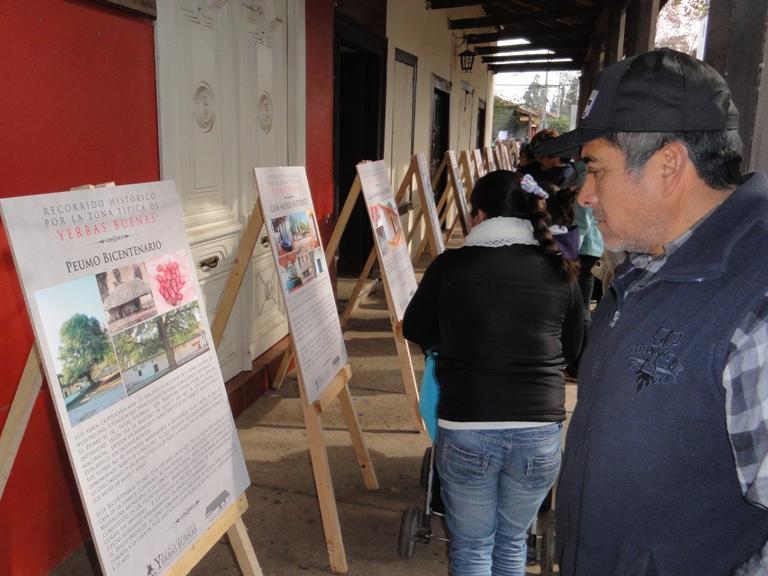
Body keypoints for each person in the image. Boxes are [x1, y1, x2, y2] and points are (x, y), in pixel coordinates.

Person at [534, 48, 768, 575]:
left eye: (595, 169)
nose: (585, 194)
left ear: (668, 164)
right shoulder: (650, 266)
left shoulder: (756, 300)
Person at [402, 170, 583, 576]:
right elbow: (572, 350)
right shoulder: (561, 268)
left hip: (468, 425)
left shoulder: (451, 266)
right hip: (539, 431)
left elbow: (414, 328)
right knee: (512, 541)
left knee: (472, 548)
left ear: (478, 214)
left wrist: (455, 339)